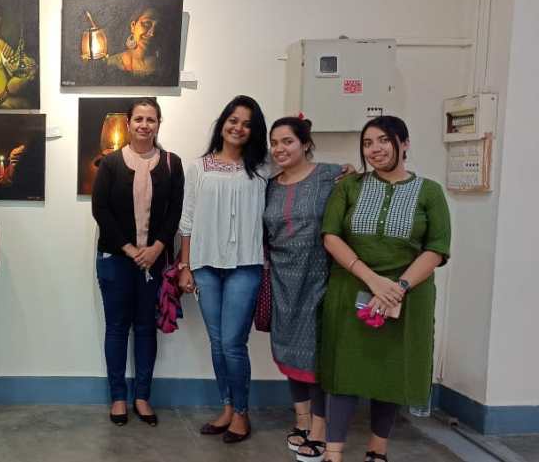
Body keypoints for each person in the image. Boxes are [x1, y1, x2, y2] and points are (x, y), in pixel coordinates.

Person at [318, 116, 451, 462]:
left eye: (383, 140)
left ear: (404, 144)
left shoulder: (430, 191)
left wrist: (398, 286)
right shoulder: (349, 186)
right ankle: (333, 452)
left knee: (390, 370)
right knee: (343, 368)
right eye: (367, 143)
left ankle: (378, 449)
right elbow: (331, 235)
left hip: (406, 295)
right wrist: (373, 280)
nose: (374, 149)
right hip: (351, 288)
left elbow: (437, 248)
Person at [177, 95, 269, 443]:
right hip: (205, 266)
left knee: (232, 342)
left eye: (247, 124)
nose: (238, 128)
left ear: (254, 131)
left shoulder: (264, 167)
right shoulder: (199, 167)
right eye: (233, 120)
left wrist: (341, 169)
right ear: (223, 123)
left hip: (245, 265)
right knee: (217, 343)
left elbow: (300, 169)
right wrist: (185, 266)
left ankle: (242, 413)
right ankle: (227, 408)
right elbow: (187, 220)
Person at [92, 97, 184, 427]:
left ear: (159, 124)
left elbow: (175, 211)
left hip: (155, 261)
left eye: (151, 119)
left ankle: (142, 397)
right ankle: (118, 397)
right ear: (128, 124)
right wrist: (131, 250)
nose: (145, 125)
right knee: (117, 328)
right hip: (116, 259)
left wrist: (157, 248)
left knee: (145, 328)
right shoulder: (110, 164)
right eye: (139, 119)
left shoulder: (172, 163)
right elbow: (100, 210)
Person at [264, 117, 343, 462]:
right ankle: (301, 421)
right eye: (275, 143)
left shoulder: (330, 175)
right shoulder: (270, 185)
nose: (279, 149)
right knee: (288, 351)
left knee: (315, 355)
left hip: (320, 277)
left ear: (305, 143)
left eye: (288, 141)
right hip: (282, 280)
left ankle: (320, 431)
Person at [106, 8, 161, 77]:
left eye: (158, 27)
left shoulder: (163, 67)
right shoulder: (113, 63)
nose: (152, 33)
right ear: (133, 26)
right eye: (147, 23)